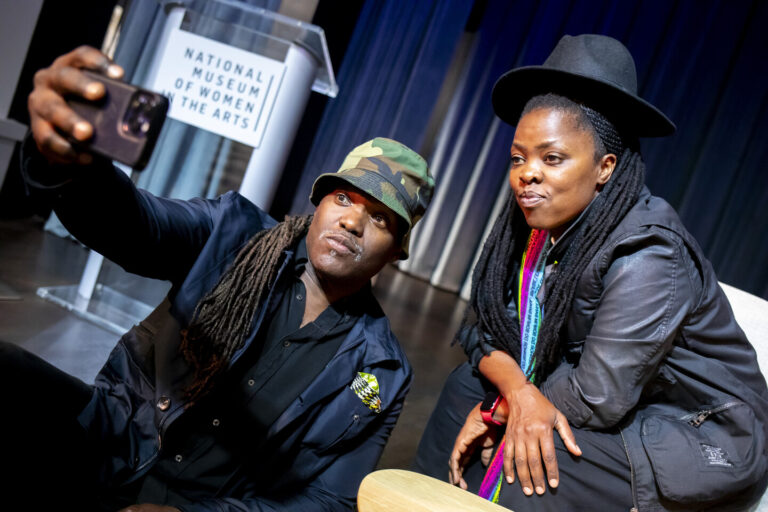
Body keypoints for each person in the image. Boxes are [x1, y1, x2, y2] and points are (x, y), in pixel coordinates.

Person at [5, 45, 434, 511]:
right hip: (112, 440)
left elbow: (324, 501)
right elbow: (134, 226)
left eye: (380, 218)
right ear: (320, 203)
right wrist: (68, 163)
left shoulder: (383, 371)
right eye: (344, 199)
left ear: (396, 252)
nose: (351, 222)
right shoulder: (234, 233)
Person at [413, 34, 768, 511]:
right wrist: (514, 393)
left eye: (552, 158)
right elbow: (484, 329)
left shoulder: (649, 251)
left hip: (698, 432)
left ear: (605, 167)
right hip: (630, 408)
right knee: (464, 389)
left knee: (538, 455)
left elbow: (599, 395)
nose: (527, 174)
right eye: (518, 157)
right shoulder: (539, 229)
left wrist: (504, 411)